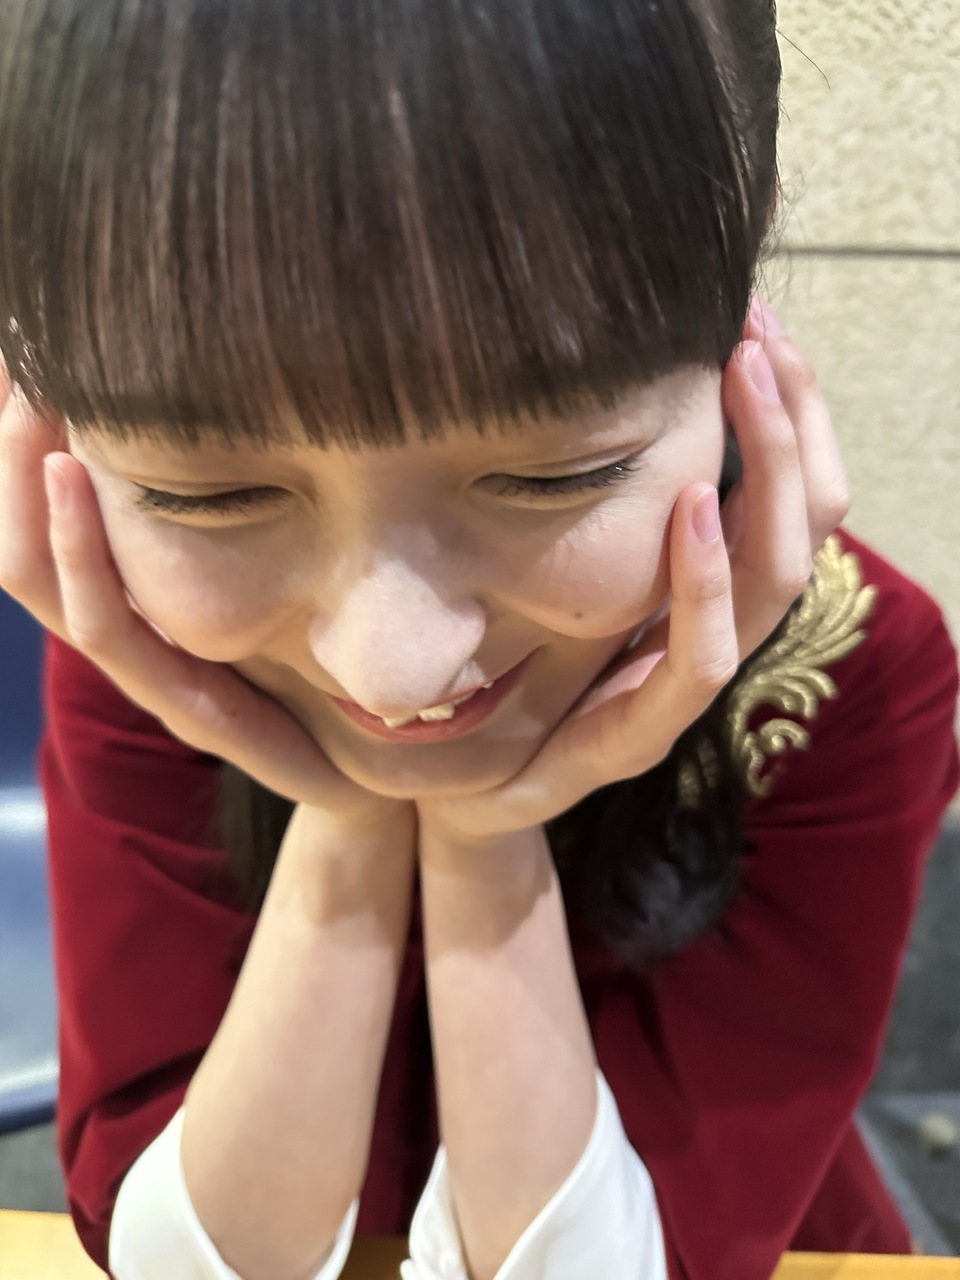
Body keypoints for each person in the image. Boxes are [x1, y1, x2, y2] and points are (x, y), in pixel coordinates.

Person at [0, 3, 957, 1279]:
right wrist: (351, 816)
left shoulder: (850, 663)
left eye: (554, 475)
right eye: (208, 496)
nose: (389, 670)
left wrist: (483, 833)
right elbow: (177, 1250)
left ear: (741, 293)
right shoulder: (148, 635)